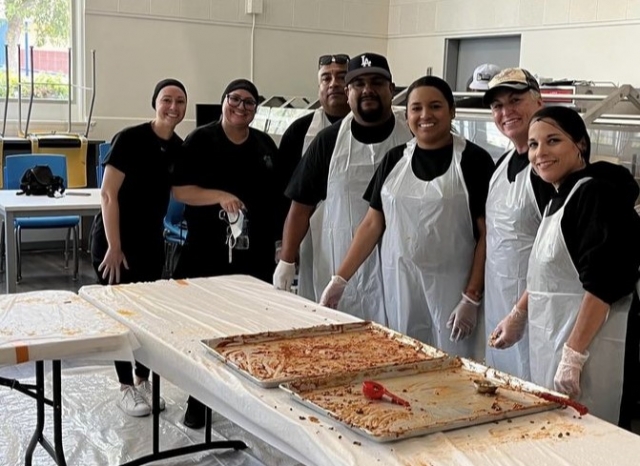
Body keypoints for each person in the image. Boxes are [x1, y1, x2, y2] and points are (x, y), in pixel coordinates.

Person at [320, 76, 495, 357]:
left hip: (453, 291)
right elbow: (371, 224)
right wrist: (340, 279)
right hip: (400, 287)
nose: (425, 115)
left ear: (452, 112)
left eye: (435, 106)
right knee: (405, 360)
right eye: (416, 108)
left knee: (454, 369)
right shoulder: (394, 160)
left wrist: (471, 296)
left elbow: (488, 234)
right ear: (407, 114)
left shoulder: (474, 161)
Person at [490, 106, 640, 427]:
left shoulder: (594, 195)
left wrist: (574, 354)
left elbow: (603, 283)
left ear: (580, 145)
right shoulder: (559, 196)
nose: (540, 153)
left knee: (596, 440)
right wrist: (518, 314)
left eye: (553, 140)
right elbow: (552, 274)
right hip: (556, 341)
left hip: (595, 350)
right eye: (533, 144)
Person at [172, 78, 284, 428]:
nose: (241, 106)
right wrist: (220, 196)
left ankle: (247, 400)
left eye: (249, 102)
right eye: (234, 99)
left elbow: (278, 199)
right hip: (208, 250)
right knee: (207, 326)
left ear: (256, 109)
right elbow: (181, 191)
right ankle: (199, 398)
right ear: (223, 102)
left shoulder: (265, 145)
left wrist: (281, 245)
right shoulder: (201, 140)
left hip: (256, 253)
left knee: (252, 327)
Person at [274, 52, 413, 325]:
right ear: (348, 92)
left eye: (376, 82)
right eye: (359, 84)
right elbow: (300, 208)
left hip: (400, 267)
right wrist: (287, 261)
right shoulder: (328, 142)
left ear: (392, 89)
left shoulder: (412, 137)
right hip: (337, 264)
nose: (367, 90)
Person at [90, 78, 187, 417]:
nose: (173, 107)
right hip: (114, 240)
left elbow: (183, 192)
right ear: (155, 103)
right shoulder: (129, 139)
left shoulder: (178, 147)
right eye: (166, 100)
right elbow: (107, 195)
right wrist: (115, 247)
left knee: (147, 317)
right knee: (120, 318)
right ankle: (126, 388)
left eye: (179, 101)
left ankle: (142, 378)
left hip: (150, 242)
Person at [482, 68, 555, 380]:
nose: (505, 111)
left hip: (538, 316)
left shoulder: (547, 172)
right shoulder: (501, 165)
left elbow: (555, 257)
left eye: (515, 100)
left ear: (538, 102)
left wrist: (520, 312)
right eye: (498, 106)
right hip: (499, 307)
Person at [275, 53, 351, 299]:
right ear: (319, 86)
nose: (334, 83)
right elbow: (284, 193)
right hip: (312, 237)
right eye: (326, 78)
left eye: (341, 77)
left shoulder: (371, 127)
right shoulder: (298, 133)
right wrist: (286, 247)